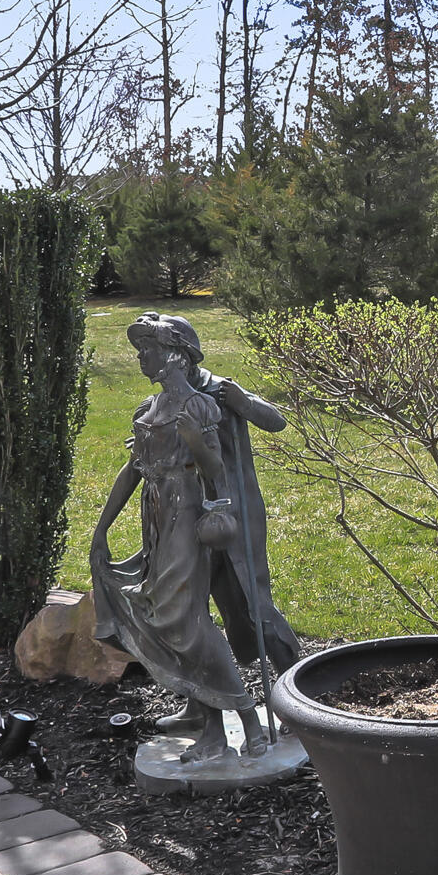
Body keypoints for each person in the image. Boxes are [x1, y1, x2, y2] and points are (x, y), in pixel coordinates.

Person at [88, 312, 297, 759]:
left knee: (250, 605)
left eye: (152, 348)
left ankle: (299, 691)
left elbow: (271, 425)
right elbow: (139, 464)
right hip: (174, 514)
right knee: (187, 612)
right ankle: (201, 706)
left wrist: (245, 400)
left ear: (180, 352)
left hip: (226, 513)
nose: (142, 357)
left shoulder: (216, 390)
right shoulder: (153, 406)